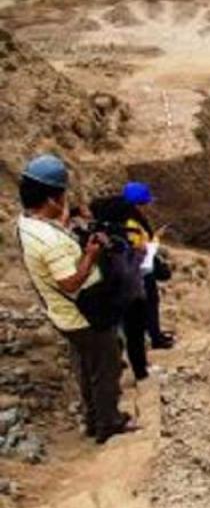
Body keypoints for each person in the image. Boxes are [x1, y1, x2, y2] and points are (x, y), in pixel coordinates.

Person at [16, 154, 136, 444]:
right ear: (52, 200)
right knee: (106, 366)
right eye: (62, 196)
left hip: (65, 316)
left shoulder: (27, 224)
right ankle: (109, 423)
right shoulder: (51, 242)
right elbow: (69, 283)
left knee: (86, 366)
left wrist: (69, 222)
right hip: (85, 315)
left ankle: (94, 419)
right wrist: (90, 256)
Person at [89, 194, 150, 381]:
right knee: (134, 334)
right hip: (128, 293)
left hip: (108, 294)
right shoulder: (121, 238)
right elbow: (126, 270)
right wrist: (140, 255)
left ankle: (119, 366)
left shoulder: (98, 236)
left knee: (116, 333)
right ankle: (140, 372)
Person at [122, 182, 174, 351]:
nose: (148, 207)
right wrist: (155, 242)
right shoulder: (131, 224)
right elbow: (139, 251)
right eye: (145, 203)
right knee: (148, 304)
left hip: (143, 270)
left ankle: (155, 333)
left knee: (152, 303)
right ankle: (154, 338)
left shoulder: (134, 220)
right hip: (141, 272)